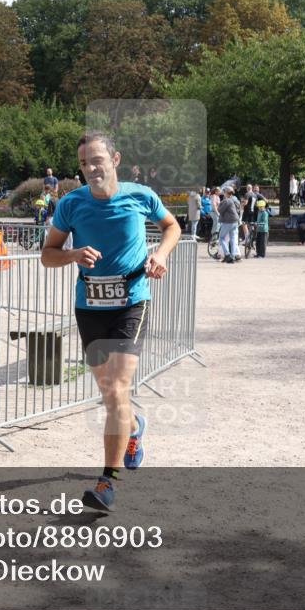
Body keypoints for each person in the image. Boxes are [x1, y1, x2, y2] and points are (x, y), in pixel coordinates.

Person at [41, 132, 180, 512]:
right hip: (89, 306)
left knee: (118, 389)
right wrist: (72, 255)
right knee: (110, 395)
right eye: (84, 163)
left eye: (97, 160)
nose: (90, 169)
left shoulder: (140, 196)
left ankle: (107, 483)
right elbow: (47, 255)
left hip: (131, 303)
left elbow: (173, 226)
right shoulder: (71, 204)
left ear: (115, 159)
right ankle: (134, 428)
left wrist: (161, 255)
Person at [217, 184, 241, 263]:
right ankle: (233, 256)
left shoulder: (227, 200)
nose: (223, 193)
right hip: (235, 221)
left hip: (229, 222)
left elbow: (220, 210)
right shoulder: (233, 199)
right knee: (233, 239)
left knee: (222, 238)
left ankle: (227, 255)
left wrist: (219, 204)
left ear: (226, 192)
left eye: (224, 192)